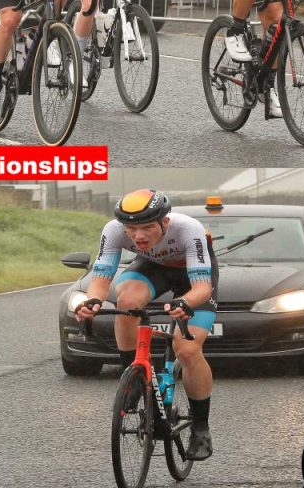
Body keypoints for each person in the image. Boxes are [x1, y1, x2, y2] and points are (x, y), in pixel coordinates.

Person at [73, 190, 218, 461]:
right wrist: (92, 300)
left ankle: (200, 428)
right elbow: (102, 276)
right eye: (131, 229)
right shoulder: (113, 230)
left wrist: (185, 303)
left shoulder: (189, 229)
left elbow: (201, 287)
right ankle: (135, 377)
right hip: (153, 268)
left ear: (165, 222)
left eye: (147, 227)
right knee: (126, 299)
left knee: (187, 350)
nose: (138, 236)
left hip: (193, 278)